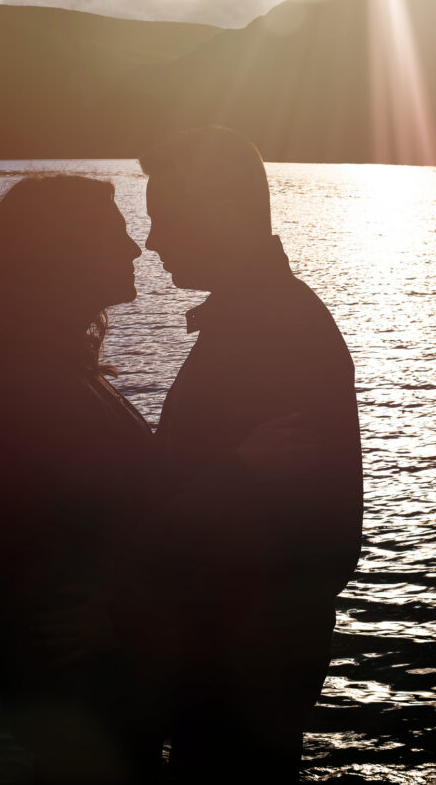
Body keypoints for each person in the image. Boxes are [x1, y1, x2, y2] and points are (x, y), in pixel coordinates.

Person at [137, 126, 364, 782]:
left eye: (165, 218)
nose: (152, 240)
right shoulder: (261, 320)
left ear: (218, 216)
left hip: (236, 681)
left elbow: (315, 535)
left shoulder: (276, 331)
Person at [0, 174, 161, 784]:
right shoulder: (39, 386)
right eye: (115, 235)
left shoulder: (58, 372)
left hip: (84, 670)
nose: (135, 250)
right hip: (78, 677)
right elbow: (103, 528)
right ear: (64, 252)